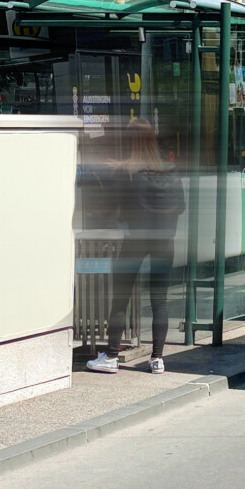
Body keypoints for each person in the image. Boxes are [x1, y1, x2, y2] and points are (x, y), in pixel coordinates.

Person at [87, 121, 185, 375]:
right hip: (164, 241)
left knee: (121, 298)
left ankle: (111, 357)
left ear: (131, 141)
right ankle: (157, 359)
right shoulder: (171, 170)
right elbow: (181, 206)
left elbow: (115, 207)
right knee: (159, 302)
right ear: (153, 139)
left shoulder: (129, 172)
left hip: (135, 240)